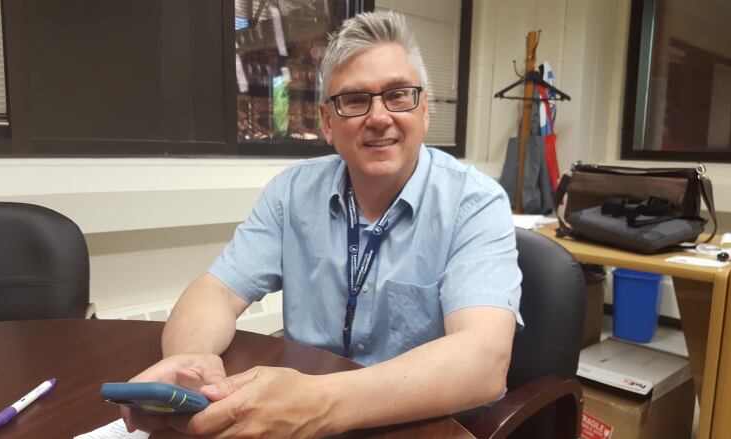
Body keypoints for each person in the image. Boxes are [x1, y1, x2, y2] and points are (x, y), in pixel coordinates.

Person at [123, 10, 522, 438]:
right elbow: (216, 290)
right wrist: (191, 360)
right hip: (306, 420)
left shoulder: (474, 203)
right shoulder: (292, 194)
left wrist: (318, 403)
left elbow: (483, 361)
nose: (379, 116)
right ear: (328, 123)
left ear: (424, 111)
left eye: (398, 94)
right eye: (354, 100)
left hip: (419, 423)